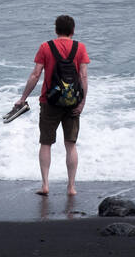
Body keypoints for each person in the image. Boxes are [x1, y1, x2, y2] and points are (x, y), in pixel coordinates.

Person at [12, 14, 89, 196]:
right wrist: (82, 102)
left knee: (46, 143)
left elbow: (35, 74)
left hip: (49, 101)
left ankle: (45, 185)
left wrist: (22, 98)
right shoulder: (80, 48)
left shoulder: (46, 47)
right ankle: (71, 187)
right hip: (72, 104)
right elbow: (83, 76)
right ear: (73, 31)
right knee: (71, 144)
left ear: (56, 30)